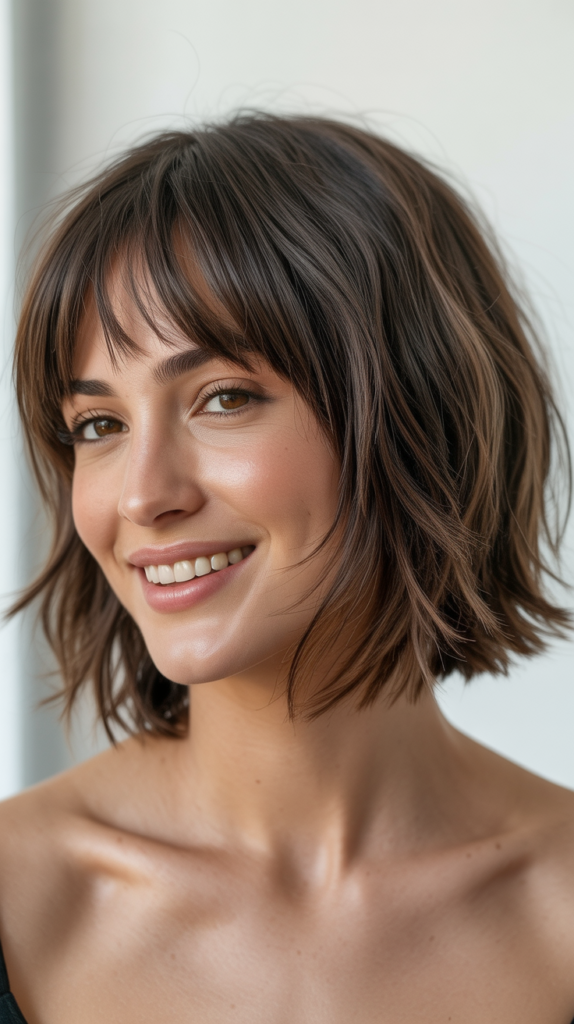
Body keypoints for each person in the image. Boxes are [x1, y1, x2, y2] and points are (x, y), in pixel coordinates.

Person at [0, 112, 573, 1024]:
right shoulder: (20, 899)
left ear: (420, 417)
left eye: (223, 398)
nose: (144, 495)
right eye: (99, 426)